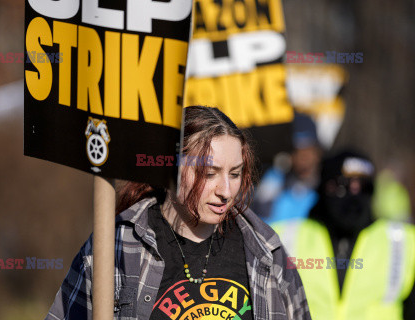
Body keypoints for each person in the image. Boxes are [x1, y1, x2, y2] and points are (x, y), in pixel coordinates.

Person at [45, 106, 311, 320]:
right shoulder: (116, 246)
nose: (226, 191)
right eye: (209, 173)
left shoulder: (266, 251)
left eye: (235, 174)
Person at [273, 150, 415, 320]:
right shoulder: (283, 237)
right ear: (323, 188)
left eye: (363, 187)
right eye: (342, 186)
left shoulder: (404, 242)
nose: (354, 195)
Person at [250, 112, 322, 224]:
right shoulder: (273, 182)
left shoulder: (327, 185)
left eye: (308, 149)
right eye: (297, 150)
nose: (303, 157)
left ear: (317, 152)